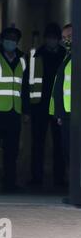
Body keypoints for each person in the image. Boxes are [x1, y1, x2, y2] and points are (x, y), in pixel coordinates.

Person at [0, 27, 30, 193]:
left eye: (14, 39)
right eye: (8, 38)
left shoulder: (22, 60)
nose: (11, 41)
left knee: (12, 151)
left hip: (14, 112)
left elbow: (25, 87)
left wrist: (26, 111)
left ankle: (10, 183)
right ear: (2, 40)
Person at [29, 23, 67, 187]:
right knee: (38, 144)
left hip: (58, 106)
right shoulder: (36, 55)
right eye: (49, 37)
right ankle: (36, 178)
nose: (51, 40)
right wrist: (27, 109)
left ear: (58, 39)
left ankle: (59, 178)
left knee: (60, 144)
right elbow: (27, 82)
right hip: (39, 107)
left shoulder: (65, 56)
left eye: (54, 37)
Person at [50, 23, 72, 184]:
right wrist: (58, 113)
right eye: (64, 38)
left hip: (74, 114)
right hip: (66, 113)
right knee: (68, 152)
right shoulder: (69, 56)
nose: (66, 41)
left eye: (69, 37)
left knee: (74, 153)